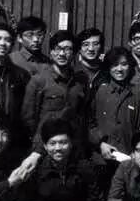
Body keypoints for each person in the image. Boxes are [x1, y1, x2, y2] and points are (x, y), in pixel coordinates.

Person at [19, 31, 89, 173]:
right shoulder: (38, 81)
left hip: (73, 149)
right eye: (57, 49)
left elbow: (83, 116)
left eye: (68, 49)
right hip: (44, 149)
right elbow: (28, 120)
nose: (62, 54)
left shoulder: (80, 82)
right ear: (51, 52)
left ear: (74, 53)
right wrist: (38, 148)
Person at [88, 47, 140, 169]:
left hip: (129, 160)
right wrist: (100, 144)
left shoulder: (139, 94)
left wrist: (138, 152)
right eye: (114, 65)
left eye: (124, 64)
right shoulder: (100, 91)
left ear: (130, 67)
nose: (119, 69)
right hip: (101, 160)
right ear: (108, 68)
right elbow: (89, 124)